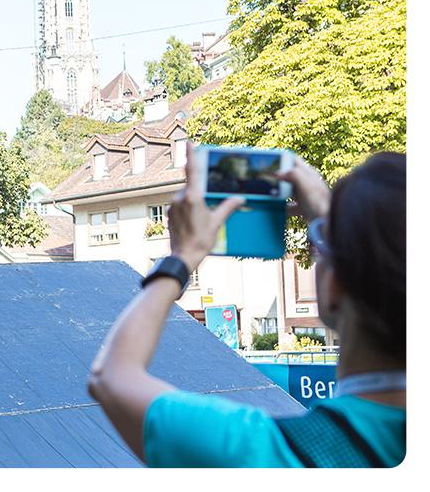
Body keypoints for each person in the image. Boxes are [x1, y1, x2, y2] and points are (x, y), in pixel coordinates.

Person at [87, 145, 405, 467]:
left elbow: (111, 377)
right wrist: (331, 228)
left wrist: (181, 258)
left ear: (335, 287)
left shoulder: (259, 452)